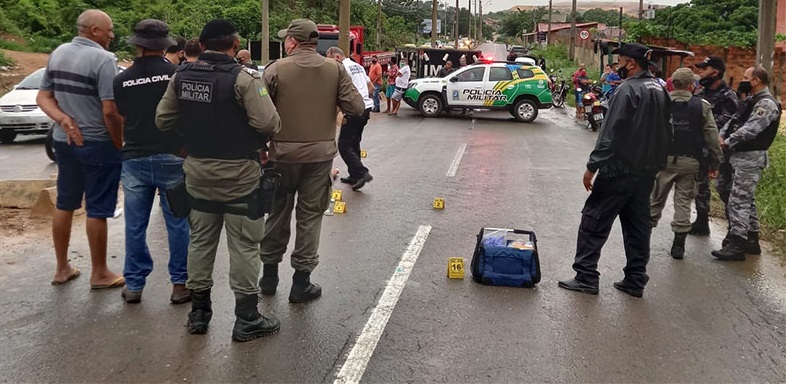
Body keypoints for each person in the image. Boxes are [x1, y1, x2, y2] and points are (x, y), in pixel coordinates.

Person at [155, 19, 282, 341]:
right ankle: (247, 318)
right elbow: (269, 124)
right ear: (234, 42)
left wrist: (186, 144)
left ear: (202, 43)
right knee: (244, 245)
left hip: (197, 172)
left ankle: (199, 313)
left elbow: (163, 119)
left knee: (200, 240)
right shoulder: (244, 79)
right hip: (239, 174)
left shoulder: (181, 76)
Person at [258, 19, 364, 304]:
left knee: (278, 213)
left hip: (281, 156)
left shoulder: (275, 69)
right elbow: (356, 106)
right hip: (319, 158)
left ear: (291, 42)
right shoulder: (335, 69)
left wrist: (262, 148)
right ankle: (301, 283)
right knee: (310, 217)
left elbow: (257, 112)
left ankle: (268, 278)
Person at [558, 43, 671, 298]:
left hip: (619, 169)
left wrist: (592, 166)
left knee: (593, 219)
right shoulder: (660, 90)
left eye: (620, 60)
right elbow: (668, 131)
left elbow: (610, 134)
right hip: (646, 171)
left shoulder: (627, 90)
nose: (618, 65)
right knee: (638, 225)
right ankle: (635, 279)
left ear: (631, 63)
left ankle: (586, 276)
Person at [36, 9, 125, 289]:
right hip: (97, 142)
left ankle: (62, 268)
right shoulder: (104, 60)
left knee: (65, 203)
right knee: (97, 208)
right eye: (108, 30)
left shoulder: (59, 52)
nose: (112, 35)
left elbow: (43, 97)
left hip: (64, 141)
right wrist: (118, 143)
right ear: (94, 31)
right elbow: (110, 111)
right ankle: (99, 273)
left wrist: (62, 119)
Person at [112, 19, 189, 304]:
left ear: (138, 46)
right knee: (179, 223)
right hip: (173, 157)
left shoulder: (121, 80)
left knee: (135, 225)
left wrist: (121, 146)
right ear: (165, 45)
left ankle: (134, 285)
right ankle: (180, 284)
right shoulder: (177, 75)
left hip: (135, 159)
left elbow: (118, 116)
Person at [649, 68, 721, 259]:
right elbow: (712, 138)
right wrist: (715, 164)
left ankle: (643, 239)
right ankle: (678, 246)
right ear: (692, 85)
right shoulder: (702, 106)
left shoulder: (660, 103)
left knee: (655, 199)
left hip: (663, 160)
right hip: (691, 162)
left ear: (673, 83)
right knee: (683, 201)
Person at [712, 66, 782, 261]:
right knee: (737, 195)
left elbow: (751, 129)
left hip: (750, 158)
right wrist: (722, 135)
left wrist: (727, 141)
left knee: (739, 200)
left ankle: (737, 242)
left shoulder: (766, 104)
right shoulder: (750, 100)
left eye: (746, 77)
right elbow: (735, 120)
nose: (742, 80)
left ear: (756, 80)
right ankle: (751, 238)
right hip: (737, 156)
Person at [691, 56, 740, 236]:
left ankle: (734, 231)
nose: (700, 72)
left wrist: (703, 122)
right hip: (700, 148)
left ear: (715, 72)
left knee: (725, 189)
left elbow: (729, 124)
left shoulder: (729, 96)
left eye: (704, 69)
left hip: (721, 150)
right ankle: (702, 221)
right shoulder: (701, 94)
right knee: (700, 186)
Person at [326, 47, 374, 190]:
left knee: (344, 145)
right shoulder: (357, 66)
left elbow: (340, 94)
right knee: (354, 143)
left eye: (330, 60)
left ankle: (362, 173)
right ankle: (354, 175)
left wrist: (335, 112)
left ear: (337, 57)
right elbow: (370, 87)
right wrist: (364, 100)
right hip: (365, 107)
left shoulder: (342, 69)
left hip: (354, 110)